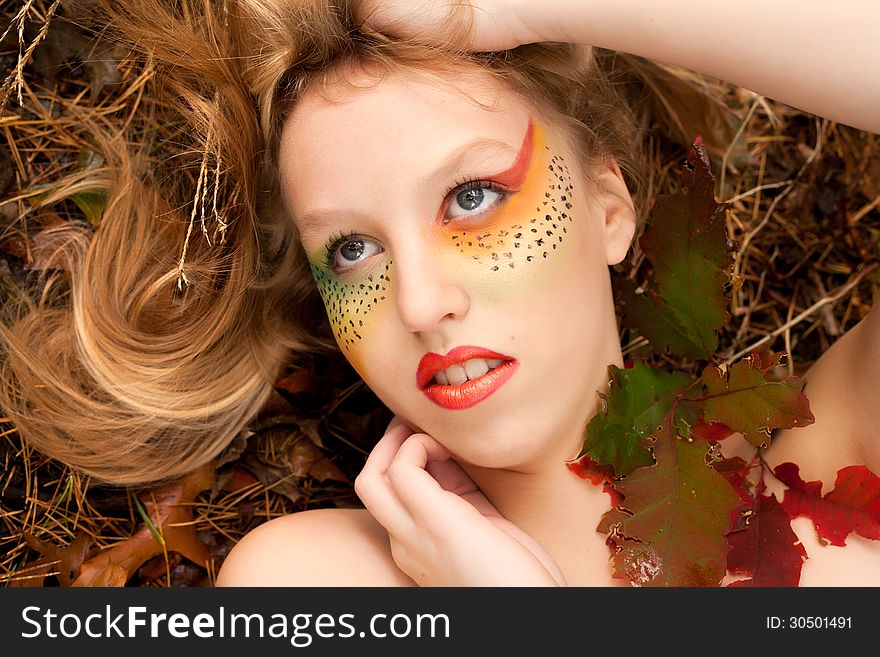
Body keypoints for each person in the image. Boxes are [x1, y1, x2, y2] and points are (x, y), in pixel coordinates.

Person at [2, 0, 877, 586]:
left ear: (610, 207)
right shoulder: (319, 583)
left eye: (471, 198)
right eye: (351, 250)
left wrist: (525, 5)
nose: (419, 302)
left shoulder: (838, 457)